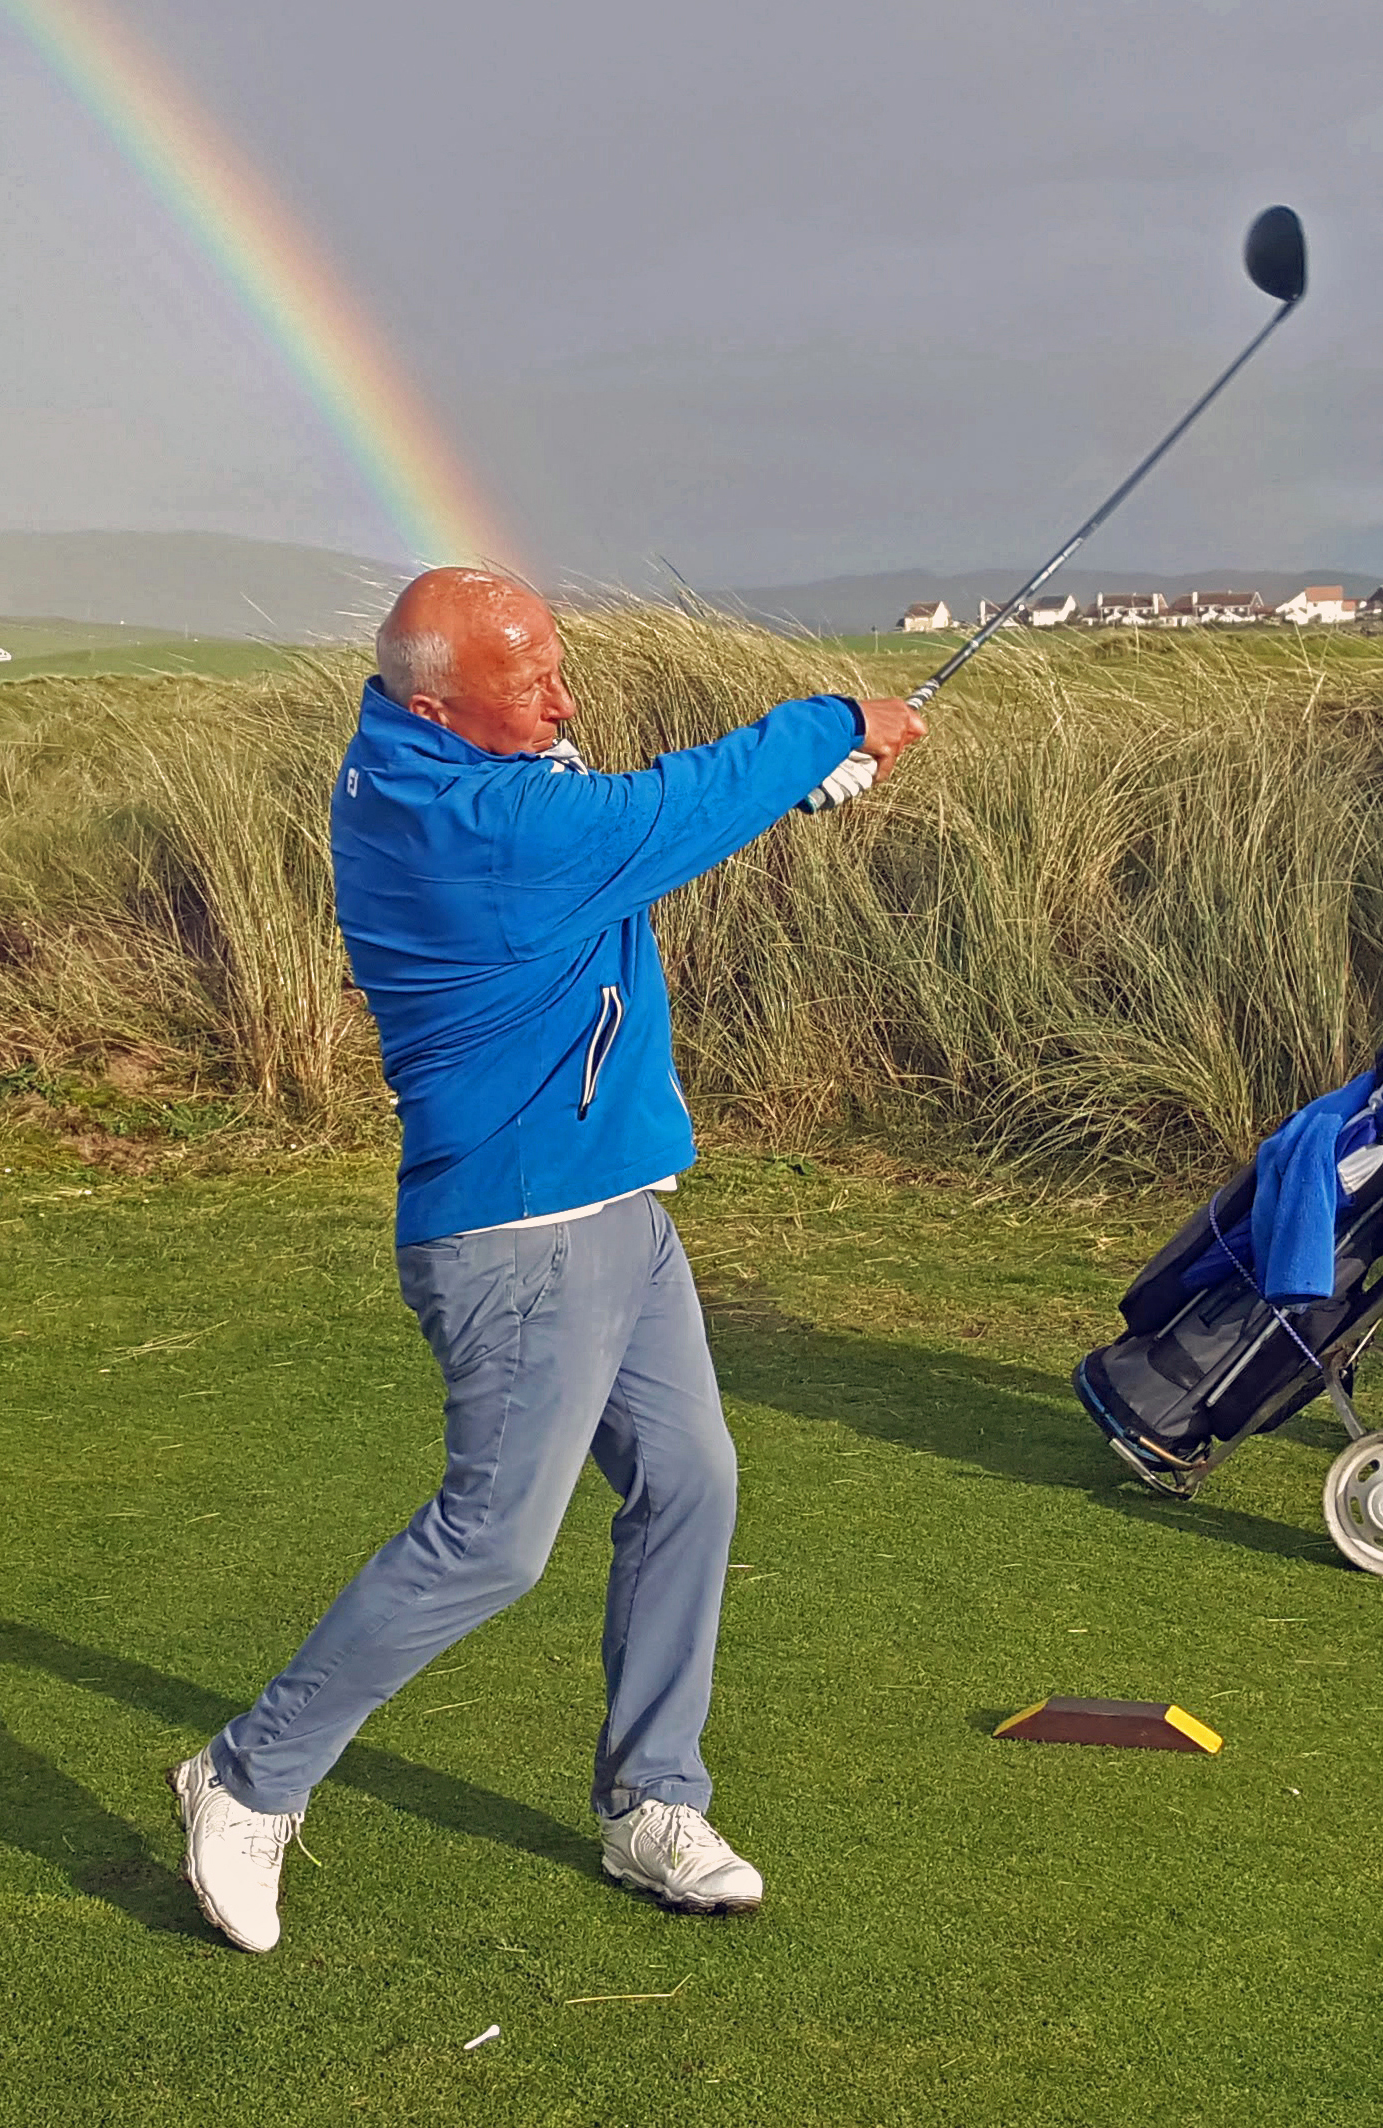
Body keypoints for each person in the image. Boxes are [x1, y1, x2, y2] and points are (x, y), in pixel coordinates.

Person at [170, 567, 926, 1952]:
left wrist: (793, 789)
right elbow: (652, 814)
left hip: (619, 1208)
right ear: (440, 703)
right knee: (495, 1543)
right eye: (530, 685)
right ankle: (246, 1776)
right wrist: (831, 727)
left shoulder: (436, 747)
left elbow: (607, 802)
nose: (563, 703)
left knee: (693, 1479)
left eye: (557, 670)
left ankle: (653, 1802)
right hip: (520, 1231)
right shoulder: (470, 827)